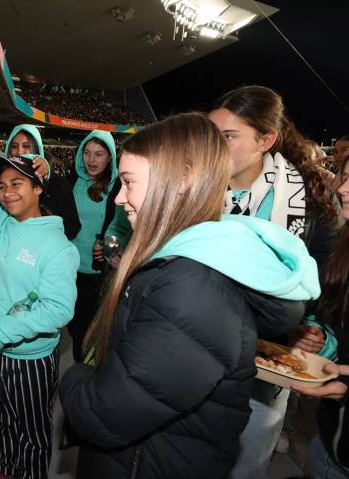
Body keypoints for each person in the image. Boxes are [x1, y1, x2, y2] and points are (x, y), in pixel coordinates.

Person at [59, 113, 319, 479]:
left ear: (182, 179)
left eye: (129, 182)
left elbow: (105, 413)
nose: (119, 198)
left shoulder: (191, 290)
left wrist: (74, 377)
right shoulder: (183, 268)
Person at [209, 85, 340, 478]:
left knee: (248, 461)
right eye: (212, 135)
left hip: (269, 356)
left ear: (265, 139)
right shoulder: (194, 188)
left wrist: (312, 326)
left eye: (229, 137)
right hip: (204, 347)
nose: (215, 147)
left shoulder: (311, 200)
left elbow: (326, 280)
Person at [0, 154, 80, 479]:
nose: (7, 192)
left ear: (38, 188)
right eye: (3, 185)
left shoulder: (56, 245)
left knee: (32, 432)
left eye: (17, 184)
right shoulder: (3, 221)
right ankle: (8, 469)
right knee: (6, 420)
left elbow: (58, 309)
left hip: (29, 358)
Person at [292, 155, 349, 478]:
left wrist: (345, 379)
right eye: (344, 176)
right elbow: (332, 320)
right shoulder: (340, 248)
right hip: (329, 443)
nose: (343, 188)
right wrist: (319, 338)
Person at [67, 130, 132, 362]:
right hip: (68, 270)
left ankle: (83, 376)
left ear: (109, 158)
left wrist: (110, 246)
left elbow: (122, 229)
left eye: (99, 154)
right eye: (87, 153)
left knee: (88, 334)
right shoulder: (72, 181)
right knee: (72, 326)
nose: (92, 160)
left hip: (97, 273)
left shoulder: (118, 187)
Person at [5, 124, 81, 240]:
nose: (19, 152)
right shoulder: (4, 181)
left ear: (36, 149)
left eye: (26, 146)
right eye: (14, 146)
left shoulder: (58, 184)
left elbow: (72, 227)